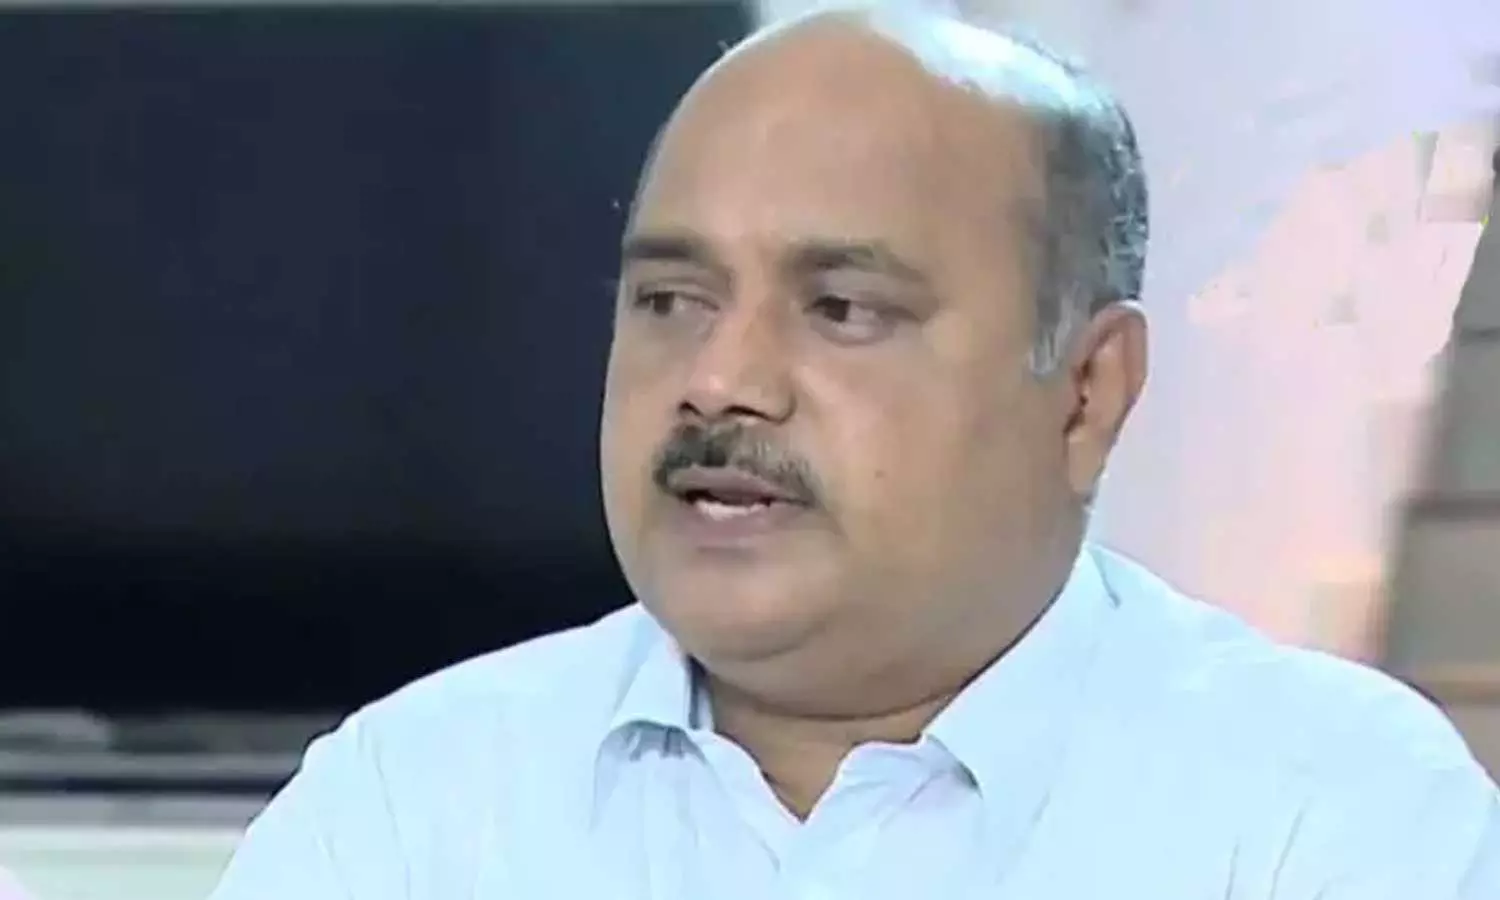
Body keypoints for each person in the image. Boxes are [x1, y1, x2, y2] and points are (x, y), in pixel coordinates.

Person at [209, 6, 1500, 899]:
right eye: (671, 299)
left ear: (1087, 394)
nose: (720, 379)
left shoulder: (1325, 810)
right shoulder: (411, 802)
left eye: (841, 308)